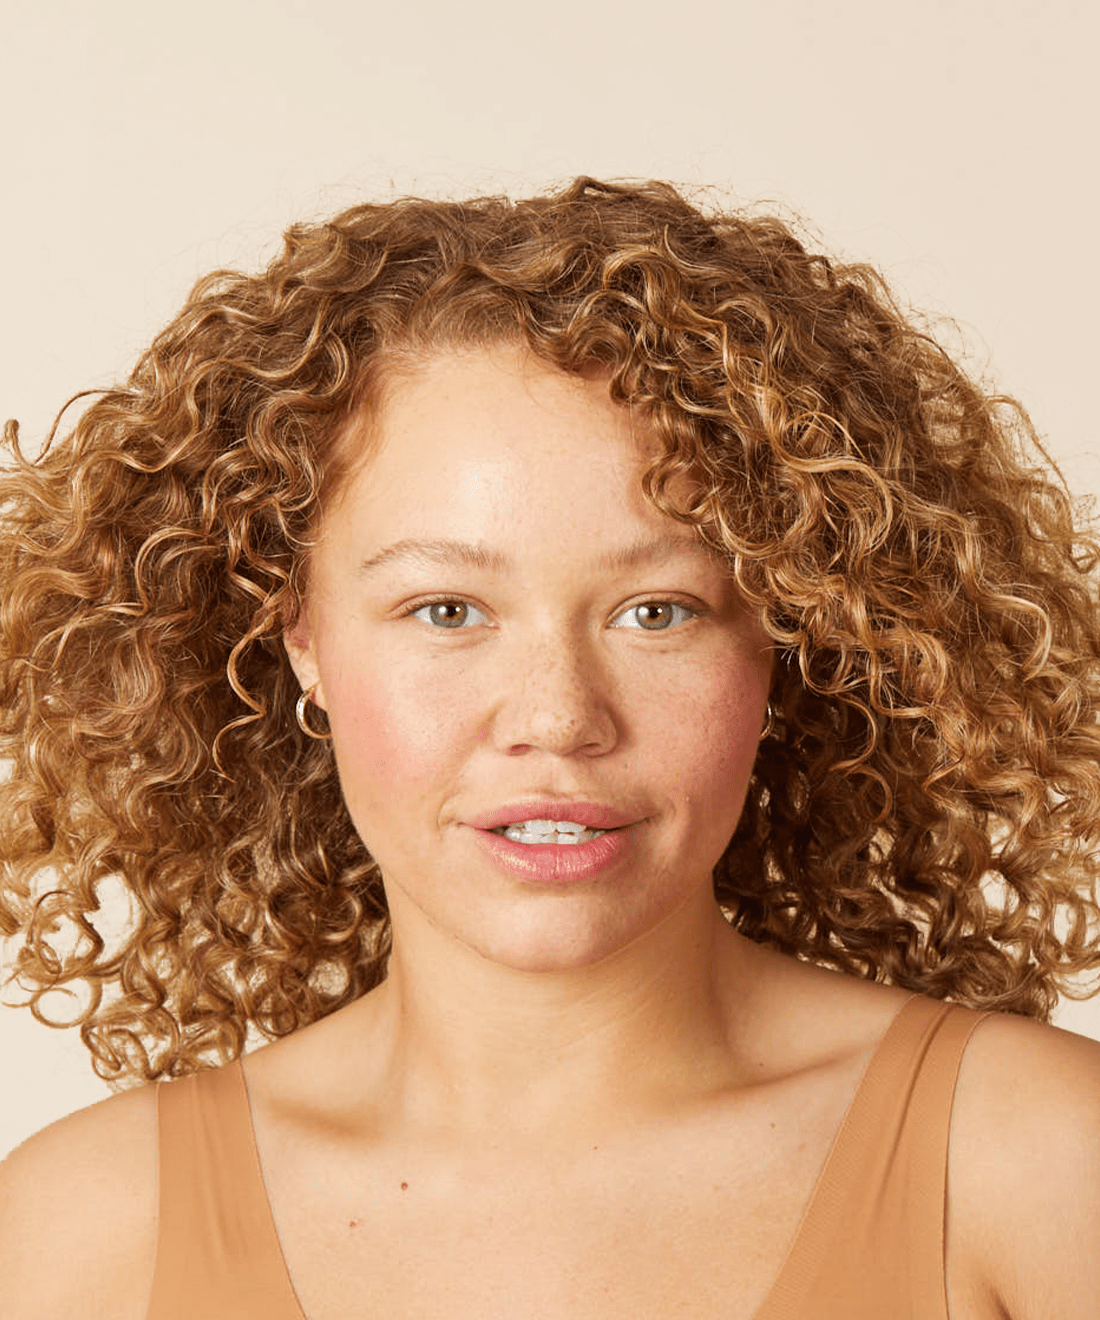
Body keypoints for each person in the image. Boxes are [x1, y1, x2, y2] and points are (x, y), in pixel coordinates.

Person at [0, 175, 1098, 1319]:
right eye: (444, 610)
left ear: (781, 636)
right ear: (302, 642)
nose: (556, 715)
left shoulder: (1036, 1167)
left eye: (656, 610)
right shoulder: (87, 1233)